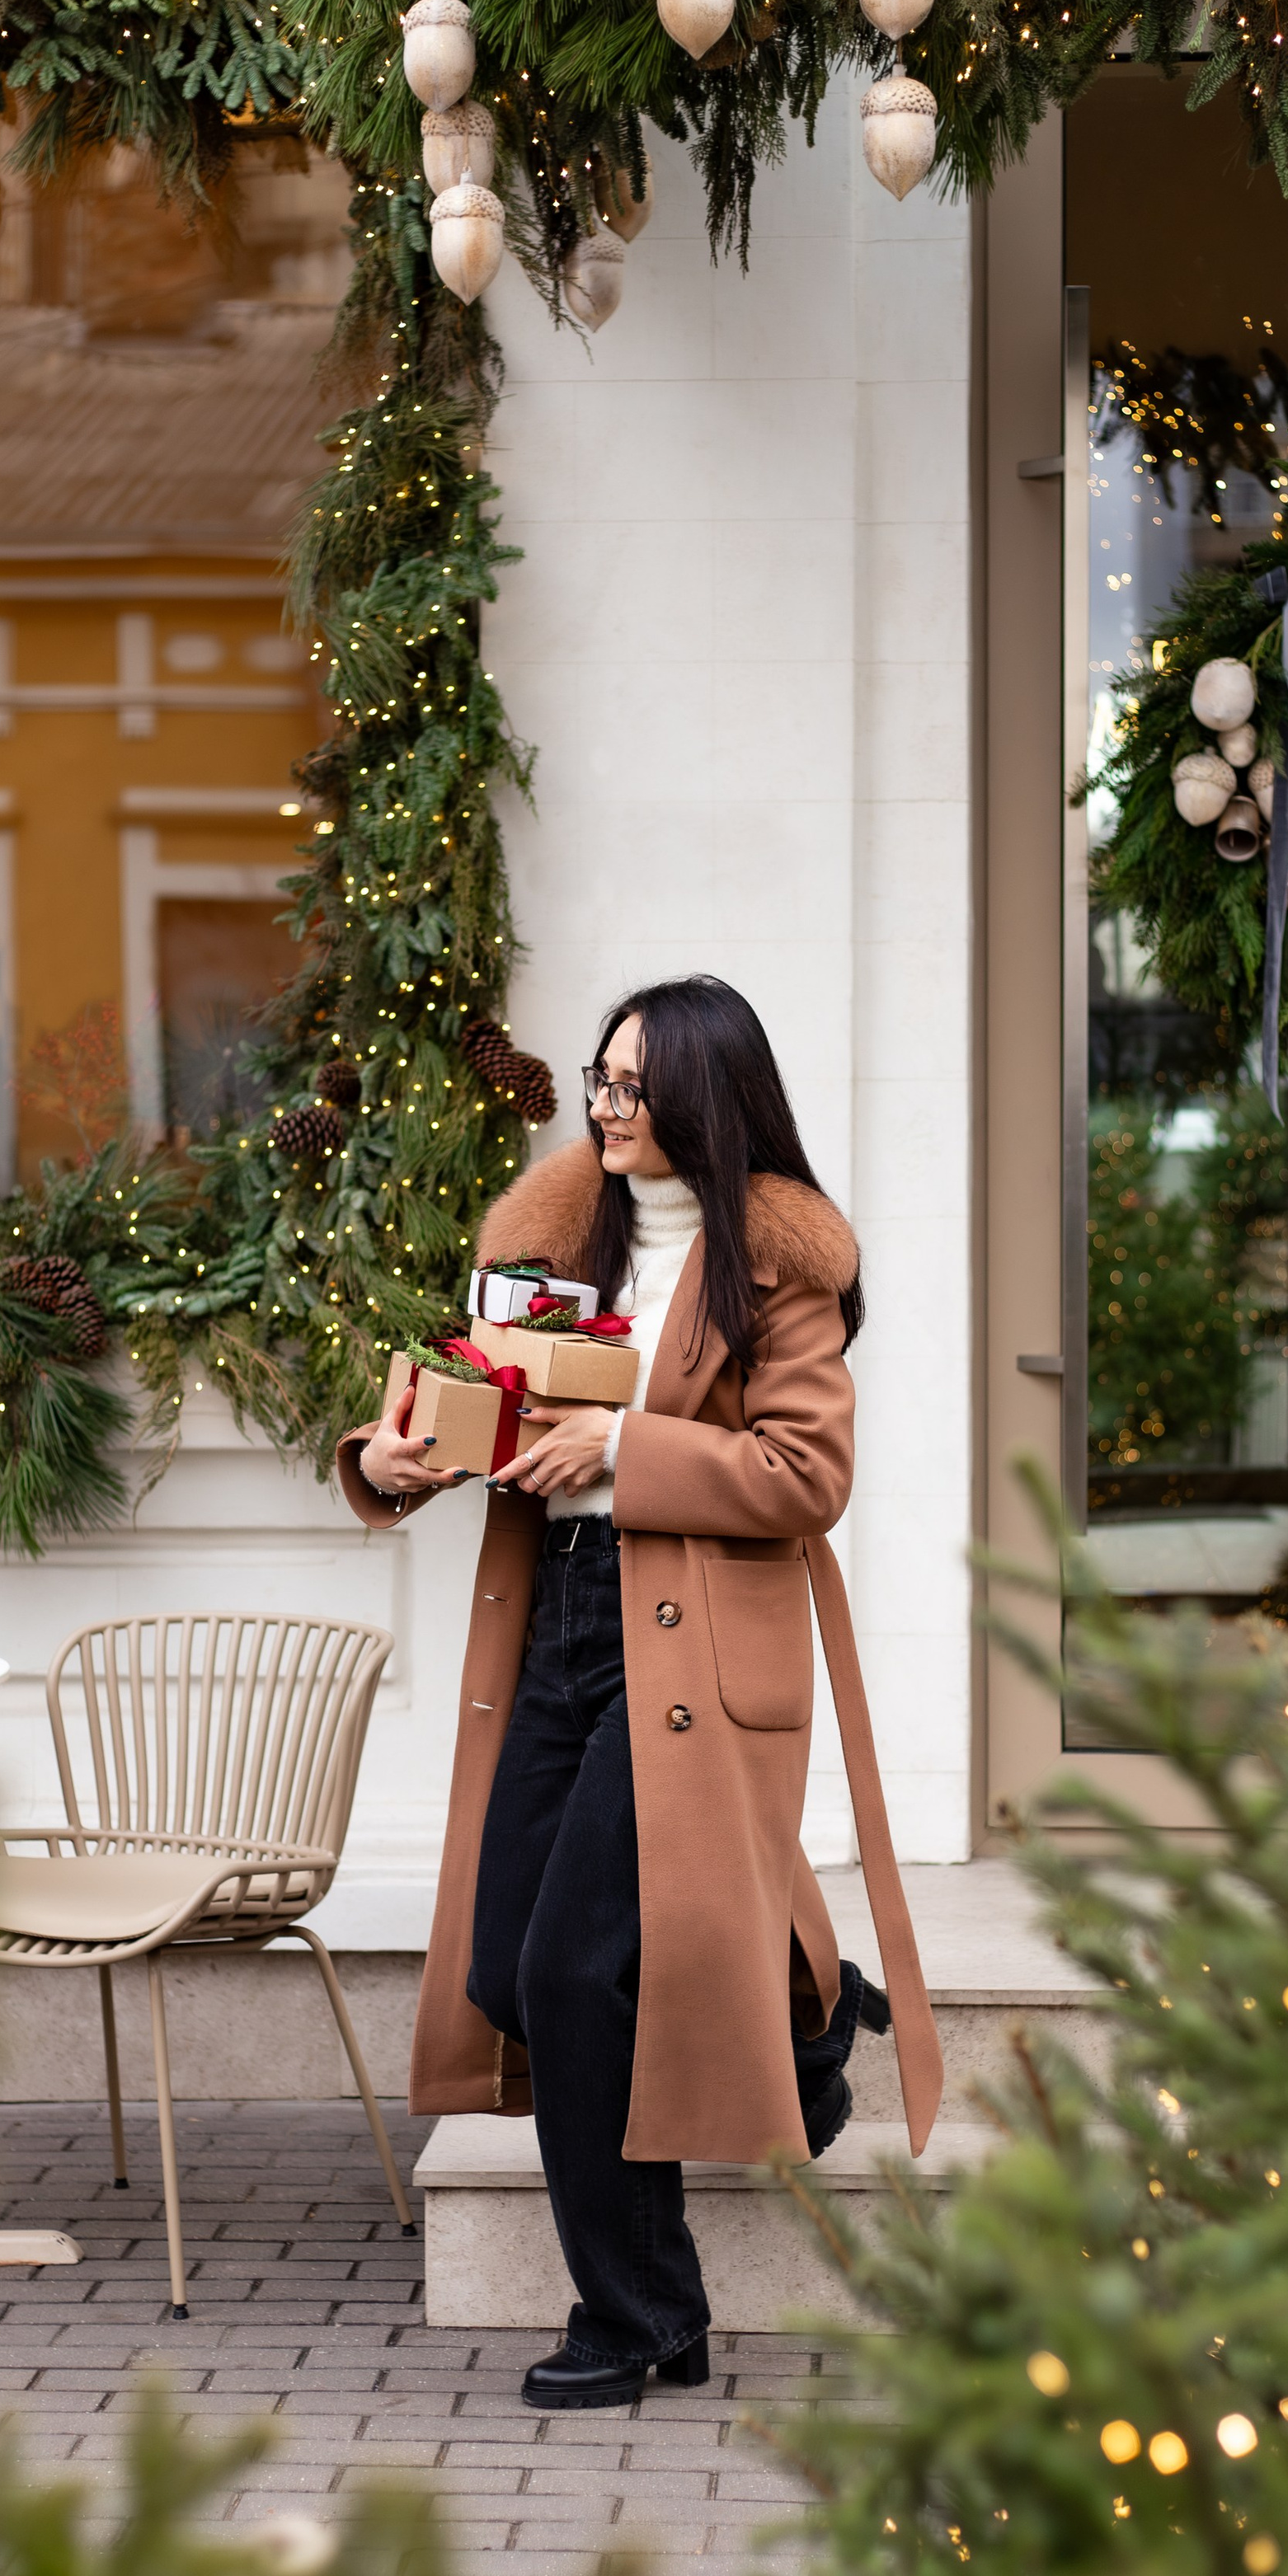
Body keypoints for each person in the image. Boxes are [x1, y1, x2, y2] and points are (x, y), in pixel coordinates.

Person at [336, 975, 942, 2409]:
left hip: (689, 1645)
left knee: (571, 1969)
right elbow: (479, 1405)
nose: (604, 1107)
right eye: (598, 1082)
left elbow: (806, 1475)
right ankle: (810, 2016)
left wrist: (621, 1449)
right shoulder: (553, 1243)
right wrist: (393, 1457)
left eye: (632, 1086)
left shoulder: (779, 1270)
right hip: (555, 1626)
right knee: (508, 1970)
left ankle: (639, 2314)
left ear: (705, 1102)